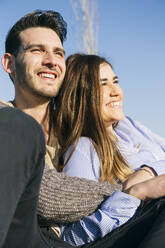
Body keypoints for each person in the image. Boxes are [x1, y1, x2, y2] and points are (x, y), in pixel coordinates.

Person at [1, 9, 165, 248]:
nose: (51, 60)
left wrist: (148, 171)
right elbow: (42, 193)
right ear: (9, 64)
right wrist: (127, 191)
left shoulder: (76, 130)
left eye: (58, 53)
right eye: (37, 50)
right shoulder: (6, 121)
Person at [54, 53, 165, 247]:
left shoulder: (128, 127)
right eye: (103, 84)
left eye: (115, 81)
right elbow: (71, 238)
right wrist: (136, 193)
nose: (116, 91)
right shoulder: (83, 149)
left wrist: (149, 171)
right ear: (81, 96)